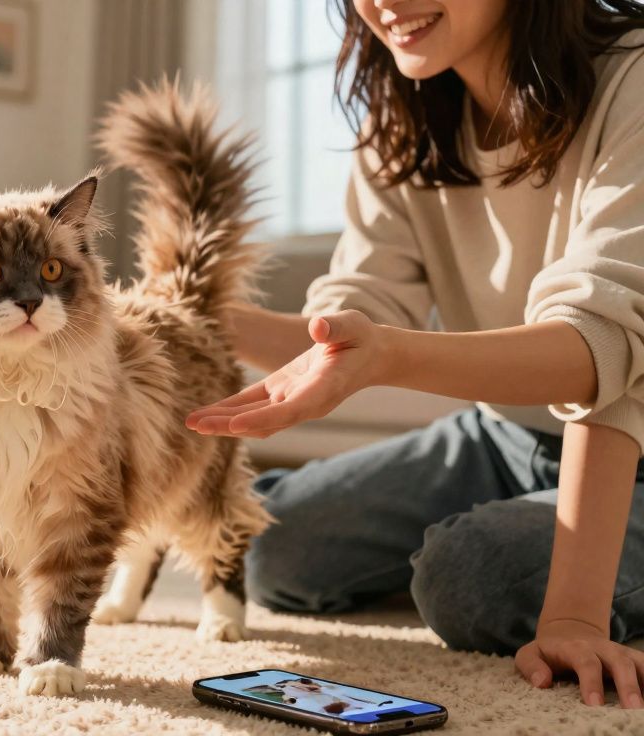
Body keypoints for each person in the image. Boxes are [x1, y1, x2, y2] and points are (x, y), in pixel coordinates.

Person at [187, 0, 644, 708]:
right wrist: (192, 313)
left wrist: (576, 615)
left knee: (468, 573)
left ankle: (534, 543)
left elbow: (606, 352)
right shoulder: (407, 114)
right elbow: (353, 319)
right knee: (261, 543)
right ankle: (528, 520)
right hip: (505, 433)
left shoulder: (632, 80)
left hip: (629, 444)